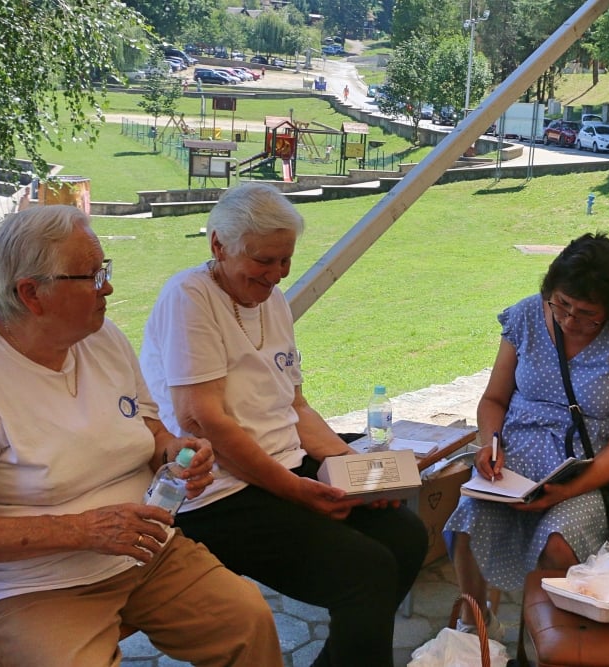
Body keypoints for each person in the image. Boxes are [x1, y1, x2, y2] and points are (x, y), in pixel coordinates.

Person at [0, 205, 282, 667]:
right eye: (91, 276)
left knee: (247, 620)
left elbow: (148, 426)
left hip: (142, 551)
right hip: (30, 583)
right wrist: (82, 529)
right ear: (31, 294)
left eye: (104, 270)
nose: (108, 286)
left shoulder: (100, 337)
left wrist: (174, 451)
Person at [140, 181, 428, 667]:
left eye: (285, 260)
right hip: (218, 490)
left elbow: (296, 407)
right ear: (218, 245)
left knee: (407, 535)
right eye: (263, 261)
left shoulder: (270, 301)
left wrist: (357, 472)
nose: (276, 275)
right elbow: (203, 419)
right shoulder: (189, 297)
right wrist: (297, 491)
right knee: (366, 571)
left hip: (285, 466)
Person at [444, 232, 609, 634]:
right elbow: (494, 400)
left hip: (591, 467)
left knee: (557, 542)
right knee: (468, 518)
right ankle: (474, 625)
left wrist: (563, 491)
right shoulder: (527, 316)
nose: (569, 320)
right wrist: (490, 443)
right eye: (562, 304)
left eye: (587, 314)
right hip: (519, 456)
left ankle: (542, 639)